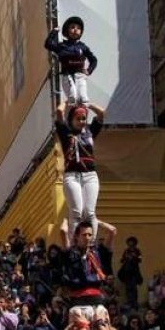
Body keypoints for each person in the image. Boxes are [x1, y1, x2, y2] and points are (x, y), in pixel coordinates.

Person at [55, 101, 106, 240]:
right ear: (71, 120)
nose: (82, 121)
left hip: (90, 175)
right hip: (72, 176)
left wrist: (87, 104)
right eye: (78, 119)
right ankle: (75, 243)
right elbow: (59, 112)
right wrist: (68, 101)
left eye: (84, 118)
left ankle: (90, 243)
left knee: (89, 213)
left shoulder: (90, 132)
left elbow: (101, 113)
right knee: (76, 212)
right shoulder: (65, 132)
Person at [45, 15, 97, 106]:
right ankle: (69, 112)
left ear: (81, 32)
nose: (75, 30)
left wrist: (89, 70)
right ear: (67, 31)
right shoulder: (62, 46)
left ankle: (82, 113)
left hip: (80, 75)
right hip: (67, 75)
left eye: (78, 28)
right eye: (72, 27)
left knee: (84, 99)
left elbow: (93, 60)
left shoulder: (83, 47)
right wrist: (54, 31)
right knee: (73, 96)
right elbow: (48, 44)